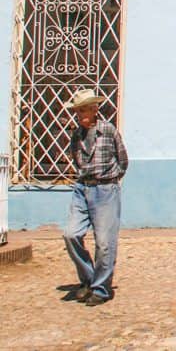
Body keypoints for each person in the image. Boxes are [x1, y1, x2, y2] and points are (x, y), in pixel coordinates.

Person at [62, 89, 128, 306]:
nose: (80, 115)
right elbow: (77, 161)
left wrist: (111, 179)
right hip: (82, 188)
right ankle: (89, 278)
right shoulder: (76, 135)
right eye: (77, 111)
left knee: (104, 243)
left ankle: (100, 288)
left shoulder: (108, 131)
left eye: (83, 110)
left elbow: (122, 160)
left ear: (94, 109)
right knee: (71, 234)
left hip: (105, 189)